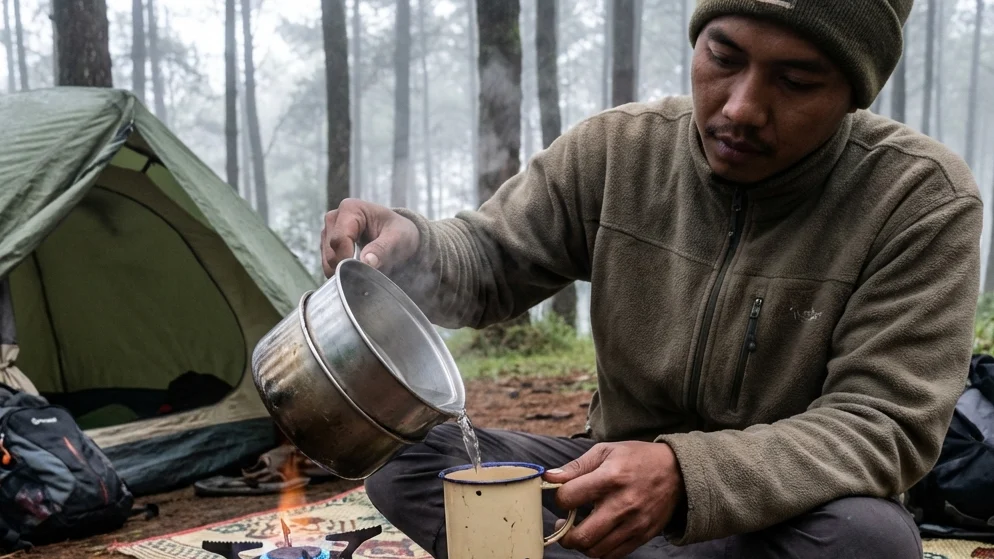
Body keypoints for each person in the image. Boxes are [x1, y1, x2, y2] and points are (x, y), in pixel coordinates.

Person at [320, 0, 983, 557]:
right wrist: (410, 248)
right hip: (603, 477)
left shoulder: (918, 199)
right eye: (724, 58)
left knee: (866, 540)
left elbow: (882, 423)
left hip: (779, 515)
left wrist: (686, 476)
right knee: (404, 449)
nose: (742, 108)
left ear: (854, 94)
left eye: (797, 81)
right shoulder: (620, 151)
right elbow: (489, 257)